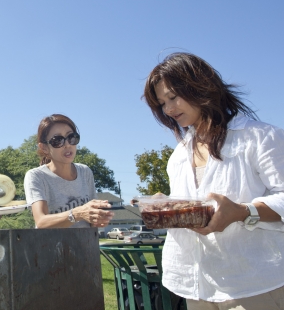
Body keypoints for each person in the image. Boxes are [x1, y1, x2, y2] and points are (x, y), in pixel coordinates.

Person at [143, 52, 284, 309]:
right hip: (196, 285)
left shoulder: (260, 137)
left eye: (173, 97)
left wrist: (243, 212)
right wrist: (168, 206)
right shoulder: (178, 154)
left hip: (252, 284)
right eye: (162, 103)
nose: (169, 109)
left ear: (201, 85)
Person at [24, 114, 113, 229]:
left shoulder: (85, 172)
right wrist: (77, 213)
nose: (67, 145)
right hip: (51, 246)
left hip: (86, 246)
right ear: (44, 148)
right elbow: (41, 222)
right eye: (57, 140)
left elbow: (91, 220)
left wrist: (99, 218)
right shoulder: (36, 176)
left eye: (71, 137)